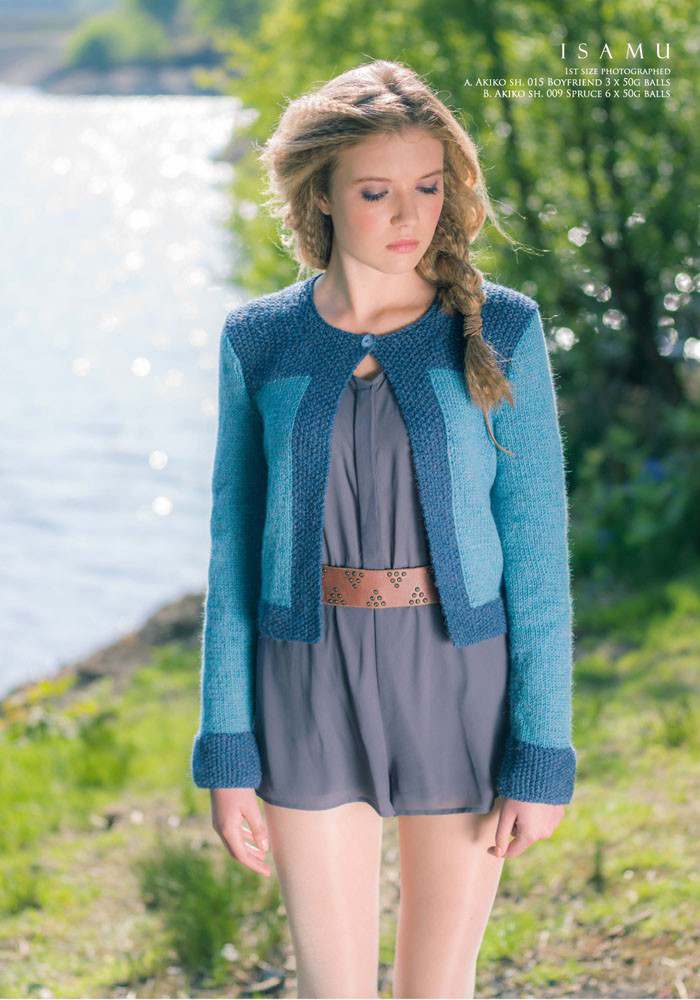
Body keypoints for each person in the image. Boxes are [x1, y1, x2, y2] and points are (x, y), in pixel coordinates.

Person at [191, 59, 577, 999]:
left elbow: (536, 554)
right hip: (305, 686)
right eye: (376, 192)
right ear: (321, 193)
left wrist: (542, 752)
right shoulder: (260, 340)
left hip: (461, 682)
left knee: (436, 990)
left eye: (429, 187)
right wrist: (226, 746)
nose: (411, 216)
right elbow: (233, 554)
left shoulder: (500, 329)